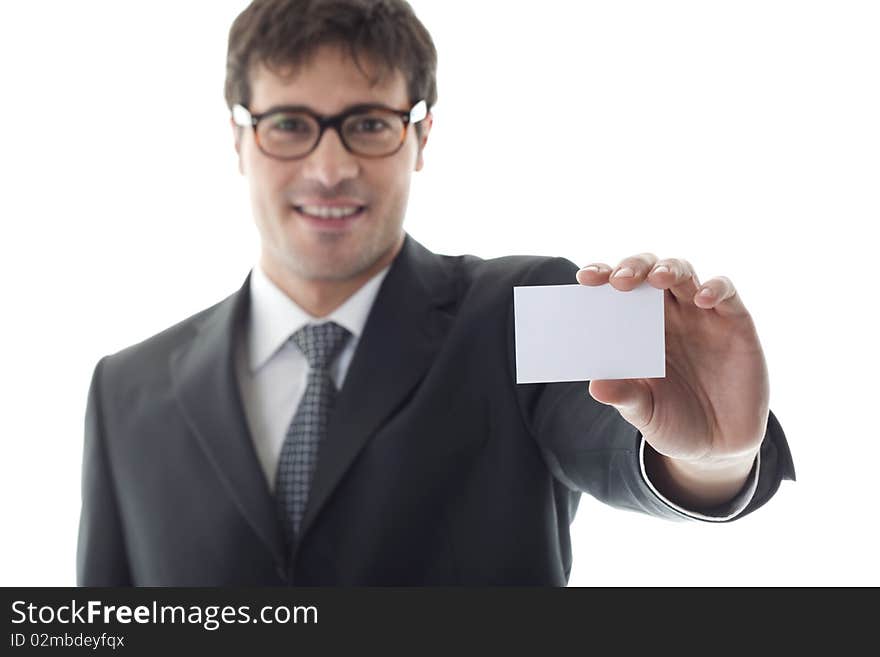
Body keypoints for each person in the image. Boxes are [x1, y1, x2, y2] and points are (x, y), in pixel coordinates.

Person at [77, 0, 795, 586]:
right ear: (239, 138)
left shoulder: (524, 306)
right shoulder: (125, 388)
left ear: (421, 135)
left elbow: (620, 441)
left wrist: (715, 458)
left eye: (368, 124)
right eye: (290, 124)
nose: (330, 168)